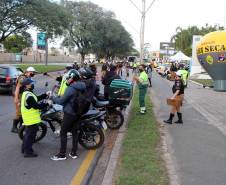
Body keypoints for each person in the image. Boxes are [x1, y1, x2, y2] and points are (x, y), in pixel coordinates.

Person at [51, 69, 86, 161]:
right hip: (78, 113)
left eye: (68, 78)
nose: (67, 80)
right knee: (75, 132)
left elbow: (61, 101)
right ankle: (73, 153)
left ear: (72, 78)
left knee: (63, 132)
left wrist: (52, 97)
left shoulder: (71, 88)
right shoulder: (82, 86)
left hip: (69, 113)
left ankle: (62, 154)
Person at [20, 78, 50, 157]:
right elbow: (36, 106)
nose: (33, 85)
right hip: (31, 119)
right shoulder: (29, 95)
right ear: (27, 85)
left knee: (27, 134)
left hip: (29, 118)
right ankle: (28, 152)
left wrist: (45, 95)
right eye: (31, 83)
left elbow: (36, 99)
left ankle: (24, 148)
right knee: (30, 136)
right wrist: (47, 104)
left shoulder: (27, 93)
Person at [12, 66, 37, 133]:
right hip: (19, 95)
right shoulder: (22, 78)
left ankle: (21, 126)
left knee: (22, 112)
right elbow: (17, 87)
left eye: (34, 73)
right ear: (28, 72)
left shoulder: (27, 77)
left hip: (22, 95)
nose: (33, 74)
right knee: (19, 112)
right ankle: (14, 127)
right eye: (32, 72)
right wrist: (16, 98)